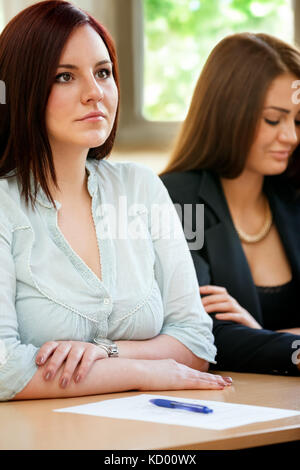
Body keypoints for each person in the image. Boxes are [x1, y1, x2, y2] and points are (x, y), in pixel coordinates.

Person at [0, 0, 233, 402]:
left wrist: (104, 352)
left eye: (103, 72)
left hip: (156, 434)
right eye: (64, 76)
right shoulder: (5, 205)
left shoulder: (141, 187)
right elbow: (5, 368)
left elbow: (196, 342)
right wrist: (142, 370)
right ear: (23, 87)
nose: (95, 93)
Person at [161, 32, 300, 376]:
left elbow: (242, 340)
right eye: (273, 119)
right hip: (234, 407)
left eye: (297, 121)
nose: (291, 136)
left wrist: (259, 336)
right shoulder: (178, 199)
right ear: (229, 112)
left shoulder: (293, 195)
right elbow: (200, 334)